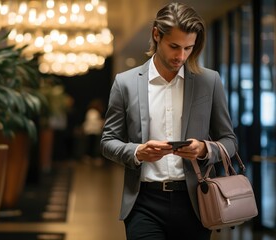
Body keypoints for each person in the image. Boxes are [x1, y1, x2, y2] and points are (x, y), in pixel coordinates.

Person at [100, 2, 238, 240]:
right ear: (156, 34)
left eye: (188, 48)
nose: (181, 56)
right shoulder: (125, 83)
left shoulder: (209, 81)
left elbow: (230, 141)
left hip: (195, 203)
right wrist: (137, 152)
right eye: (174, 46)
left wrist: (205, 149)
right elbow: (108, 141)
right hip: (143, 203)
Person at [82, 98, 105, 166]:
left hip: (94, 131)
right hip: (91, 131)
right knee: (90, 145)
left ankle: (92, 158)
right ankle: (89, 157)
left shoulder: (93, 112)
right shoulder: (92, 112)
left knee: (93, 145)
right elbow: (93, 122)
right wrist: (102, 122)